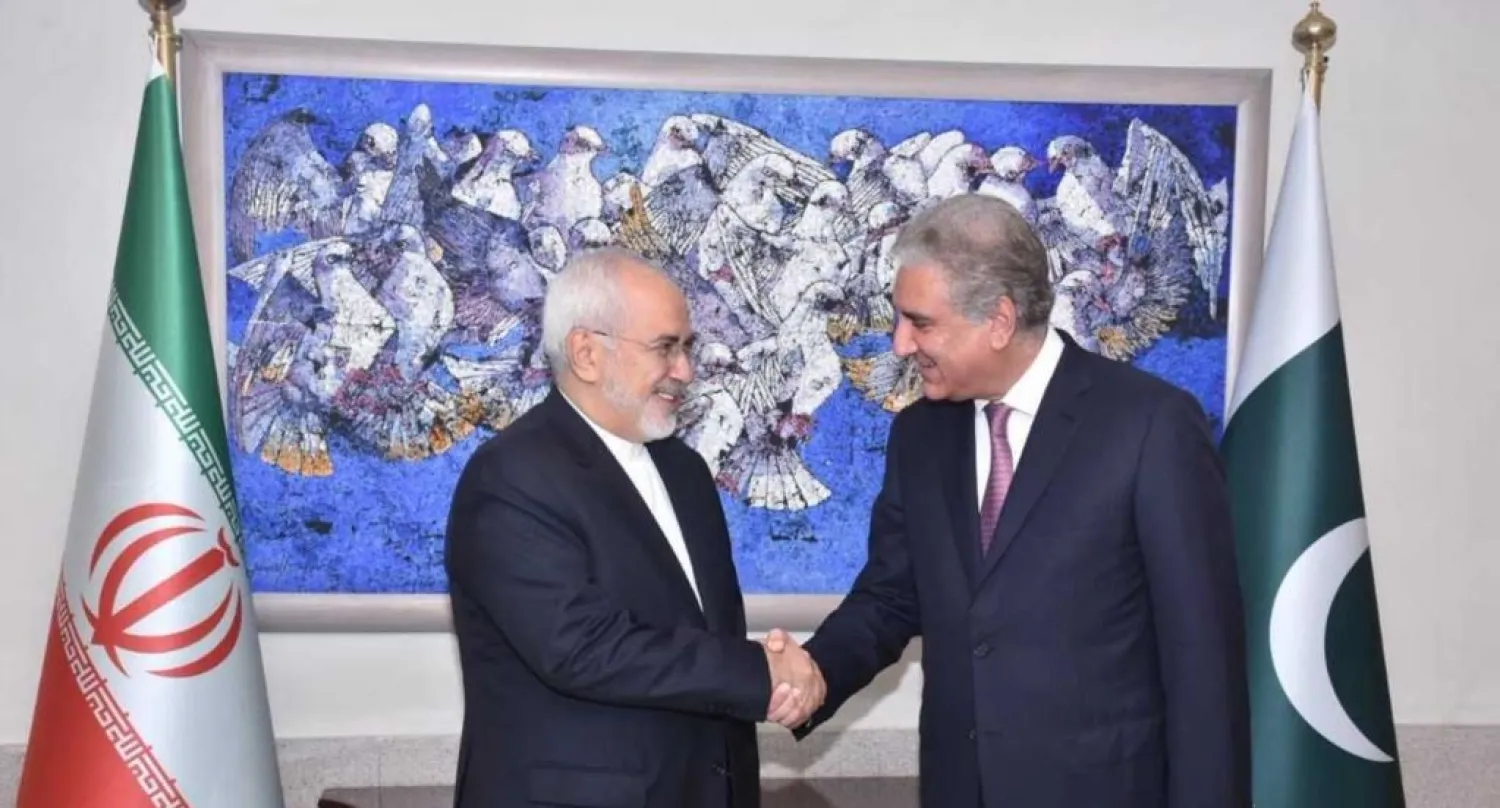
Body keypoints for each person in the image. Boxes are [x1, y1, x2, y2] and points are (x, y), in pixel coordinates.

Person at [769, 193, 1251, 807]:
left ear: (998, 320)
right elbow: (892, 597)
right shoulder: (920, 435)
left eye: (920, 323)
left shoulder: (1149, 426)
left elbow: (1202, 659)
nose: (899, 345)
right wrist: (816, 673)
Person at [444, 247, 824, 808]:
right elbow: (582, 648)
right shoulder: (511, 477)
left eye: (687, 348)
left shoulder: (685, 471)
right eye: (665, 348)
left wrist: (775, 682)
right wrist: (759, 672)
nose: (686, 371)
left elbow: (699, 637)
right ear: (587, 353)